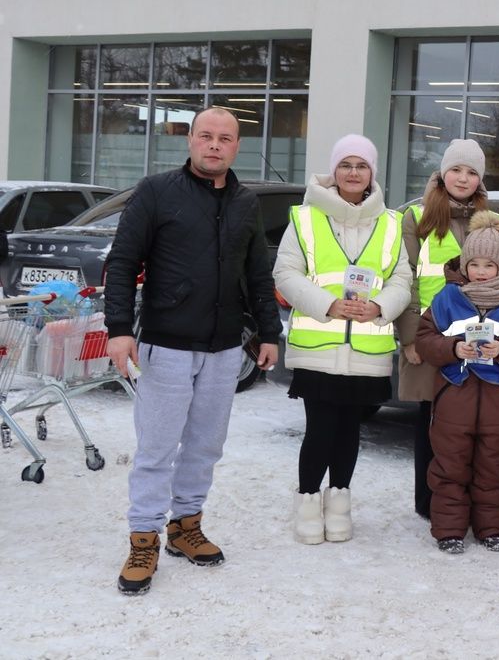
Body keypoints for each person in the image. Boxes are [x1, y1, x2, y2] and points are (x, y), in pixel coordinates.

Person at [105, 106, 281, 595]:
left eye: (225, 138)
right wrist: (119, 328)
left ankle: (186, 526)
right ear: (190, 140)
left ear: (236, 146)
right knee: (157, 448)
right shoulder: (157, 192)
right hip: (167, 342)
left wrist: (269, 332)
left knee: (205, 445)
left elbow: (258, 275)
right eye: (206, 135)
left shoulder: (246, 202)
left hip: (225, 347)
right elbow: (121, 263)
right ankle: (144, 537)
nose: (214, 145)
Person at [273, 135, 412, 545]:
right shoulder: (305, 217)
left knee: (350, 429)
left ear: (372, 173)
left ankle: (339, 506)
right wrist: (329, 305)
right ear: (334, 171)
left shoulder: (390, 223)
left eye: (362, 166)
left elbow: (402, 279)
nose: (354, 173)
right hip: (318, 347)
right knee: (319, 428)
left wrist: (381, 307)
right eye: (346, 165)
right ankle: (308, 503)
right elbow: (286, 274)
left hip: (367, 347)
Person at [415, 213, 499, 553]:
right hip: (455, 396)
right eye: (475, 264)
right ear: (465, 265)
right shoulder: (448, 298)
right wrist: (454, 347)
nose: (481, 271)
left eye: (489, 264)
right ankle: (449, 530)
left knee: (493, 467)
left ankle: (491, 528)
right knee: (450, 465)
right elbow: (425, 340)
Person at [394, 138, 490, 522]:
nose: (463, 178)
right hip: (429, 337)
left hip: (475, 341)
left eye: (471, 172)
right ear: (442, 173)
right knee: (430, 421)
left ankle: (459, 497)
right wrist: (410, 337)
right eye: (456, 170)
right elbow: (406, 281)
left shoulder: (490, 221)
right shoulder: (416, 217)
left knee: (467, 424)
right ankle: (427, 499)